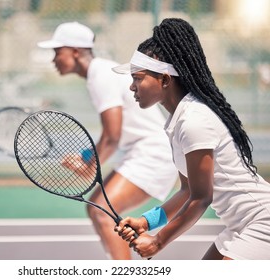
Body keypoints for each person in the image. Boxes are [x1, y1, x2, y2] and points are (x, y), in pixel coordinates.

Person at [112, 18, 270, 260]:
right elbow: (187, 190)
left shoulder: (194, 121)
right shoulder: (180, 119)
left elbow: (201, 198)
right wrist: (147, 222)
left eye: (138, 78)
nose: (132, 87)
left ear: (165, 80)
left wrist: (157, 242)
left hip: (262, 221)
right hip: (241, 224)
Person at [37, 21, 177, 260]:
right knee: (97, 209)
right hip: (144, 153)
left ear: (74, 51)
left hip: (153, 156)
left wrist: (89, 167)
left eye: (57, 52)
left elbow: (112, 136)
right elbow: (115, 134)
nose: (53, 60)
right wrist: (87, 157)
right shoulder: (100, 73)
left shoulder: (100, 75)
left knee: (101, 212)